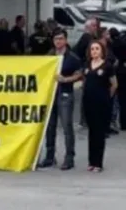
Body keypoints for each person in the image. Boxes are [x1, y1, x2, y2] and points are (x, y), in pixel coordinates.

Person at [38, 29, 82, 170]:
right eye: (56, 39)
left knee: (67, 127)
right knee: (50, 127)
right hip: (50, 95)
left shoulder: (72, 57)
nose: (58, 41)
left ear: (66, 40)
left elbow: (79, 74)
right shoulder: (49, 56)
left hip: (65, 94)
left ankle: (69, 158)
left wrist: (66, 79)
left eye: (61, 38)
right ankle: (50, 157)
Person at [81, 40, 117, 172]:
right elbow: (85, 81)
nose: (94, 51)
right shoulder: (86, 65)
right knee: (91, 132)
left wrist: (107, 97)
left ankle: (98, 163)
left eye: (97, 49)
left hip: (102, 103)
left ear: (102, 50)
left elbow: (114, 84)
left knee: (99, 133)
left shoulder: (108, 66)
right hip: (88, 102)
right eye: (92, 49)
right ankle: (91, 161)